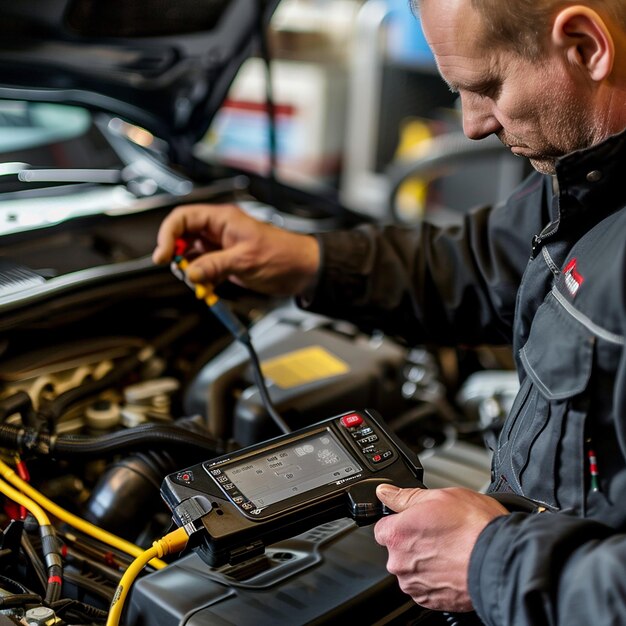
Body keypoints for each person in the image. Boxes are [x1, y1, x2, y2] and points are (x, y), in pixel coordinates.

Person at [152, 0, 626, 623]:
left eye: (486, 87)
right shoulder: (597, 173)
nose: (473, 124)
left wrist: (492, 564)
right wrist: (309, 259)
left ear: (587, 46)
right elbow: (490, 263)